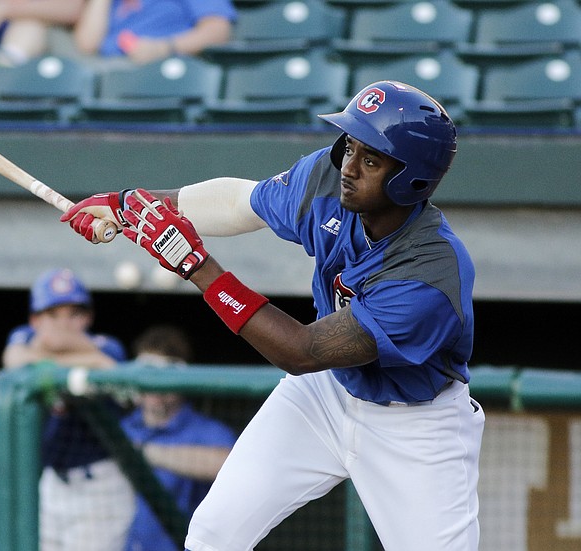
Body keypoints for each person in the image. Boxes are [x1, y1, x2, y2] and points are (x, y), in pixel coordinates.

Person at [60, 80, 486, 551]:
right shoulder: (329, 178)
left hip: (416, 424)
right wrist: (130, 206)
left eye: (371, 160)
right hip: (327, 393)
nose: (348, 167)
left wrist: (199, 268)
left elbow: (301, 351)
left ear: (413, 178)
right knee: (212, 534)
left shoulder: (430, 273)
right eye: (351, 146)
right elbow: (241, 202)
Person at [1, 268, 135, 551]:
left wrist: (60, 350)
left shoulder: (108, 346)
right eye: (53, 314)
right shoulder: (23, 336)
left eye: (73, 314)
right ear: (35, 319)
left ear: (88, 317)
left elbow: (108, 363)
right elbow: (13, 359)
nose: (63, 324)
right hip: (52, 483)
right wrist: (85, 359)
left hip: (100, 483)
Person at [121, 325, 236, 551]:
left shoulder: (207, 432)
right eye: (146, 374)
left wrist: (145, 453)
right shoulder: (120, 426)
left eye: (163, 377)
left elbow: (231, 467)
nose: (153, 386)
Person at [73, 0, 236, 66]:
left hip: (159, 67)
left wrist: (163, 47)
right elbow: (87, 45)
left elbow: (217, 31)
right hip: (104, 68)